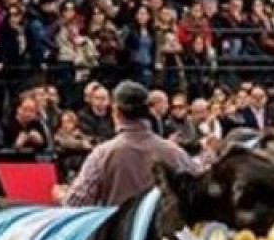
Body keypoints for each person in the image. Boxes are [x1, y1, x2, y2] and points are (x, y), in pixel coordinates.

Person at [59, 80, 214, 207]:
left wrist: (61, 194)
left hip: (119, 239)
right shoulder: (172, 152)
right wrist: (208, 154)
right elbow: (199, 184)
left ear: (116, 112)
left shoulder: (102, 154)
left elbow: (75, 203)